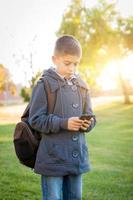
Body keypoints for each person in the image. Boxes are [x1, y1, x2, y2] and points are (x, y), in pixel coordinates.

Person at [28, 35, 96, 200]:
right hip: (53, 158)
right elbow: (36, 120)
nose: (72, 68)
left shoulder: (83, 86)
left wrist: (87, 123)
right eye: (67, 63)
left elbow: (92, 117)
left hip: (76, 157)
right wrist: (64, 123)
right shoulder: (43, 85)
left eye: (76, 64)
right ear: (55, 59)